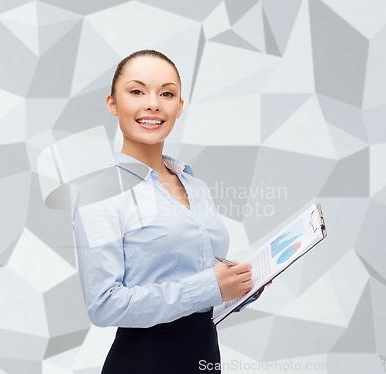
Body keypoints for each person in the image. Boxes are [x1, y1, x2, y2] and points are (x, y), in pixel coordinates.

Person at [72, 49, 267, 374]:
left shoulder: (196, 186)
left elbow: (202, 287)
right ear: (112, 103)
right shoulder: (100, 193)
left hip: (204, 358)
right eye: (137, 91)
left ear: (179, 107)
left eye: (166, 93)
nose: (153, 103)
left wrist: (243, 285)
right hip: (143, 363)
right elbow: (103, 305)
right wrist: (208, 287)